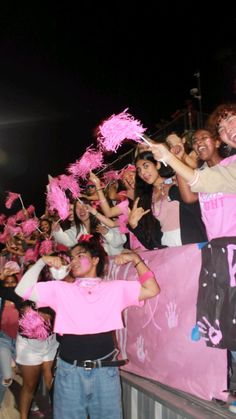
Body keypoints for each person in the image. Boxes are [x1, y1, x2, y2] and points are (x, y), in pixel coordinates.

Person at [15, 237, 160, 419]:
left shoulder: (114, 288)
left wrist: (136, 260)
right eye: (71, 258)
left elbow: (152, 289)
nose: (73, 261)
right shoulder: (60, 289)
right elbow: (22, 290)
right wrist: (42, 261)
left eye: (80, 256)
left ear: (95, 259)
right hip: (69, 372)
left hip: (105, 372)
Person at [147, 103, 236, 193]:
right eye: (221, 129)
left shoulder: (230, 163)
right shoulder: (205, 170)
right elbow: (191, 193)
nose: (228, 129)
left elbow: (199, 180)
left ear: (217, 142)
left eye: (230, 120)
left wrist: (169, 157)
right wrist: (177, 158)